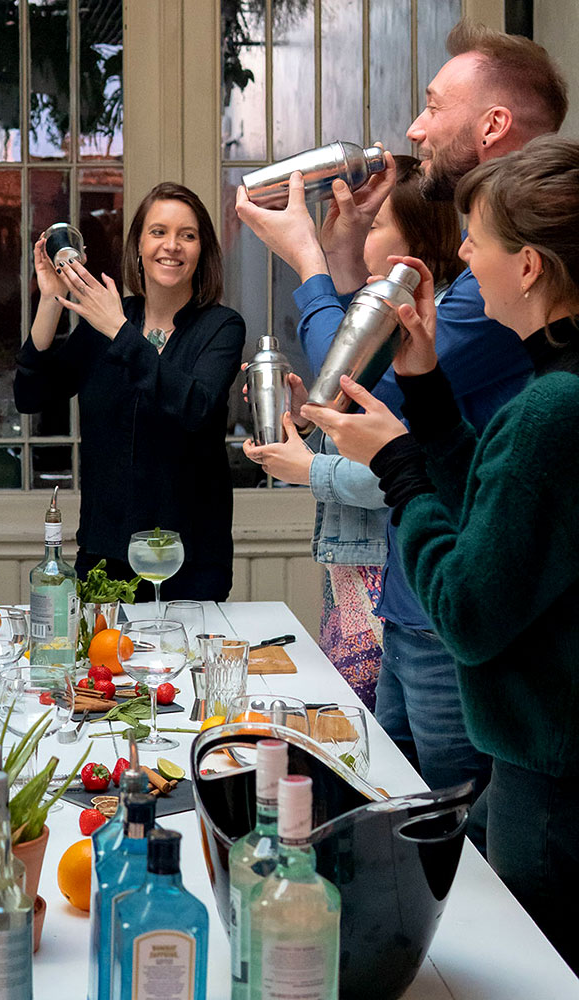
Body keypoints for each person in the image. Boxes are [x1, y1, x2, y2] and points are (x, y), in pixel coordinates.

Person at [233, 19, 567, 801]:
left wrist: (313, 263)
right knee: (403, 811)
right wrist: (347, 260)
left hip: (468, 624)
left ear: (491, 125)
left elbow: (363, 391)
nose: (414, 128)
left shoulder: (517, 276)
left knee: (460, 849)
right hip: (416, 597)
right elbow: (393, 380)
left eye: (431, 104)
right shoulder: (501, 262)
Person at [302, 134, 579, 974]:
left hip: (551, 783)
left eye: (476, 240)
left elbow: (465, 612)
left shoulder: (549, 411)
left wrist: (393, 464)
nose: (460, 257)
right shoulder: (551, 393)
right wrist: (422, 383)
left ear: (526, 266)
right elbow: (491, 508)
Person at [241, 156, 464, 710]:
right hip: (384, 586)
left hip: (402, 589)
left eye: (376, 220)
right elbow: (367, 426)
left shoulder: (431, 327)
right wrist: (309, 421)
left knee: (398, 774)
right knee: (379, 770)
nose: (359, 226)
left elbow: (401, 459)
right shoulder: (391, 314)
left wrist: (310, 467)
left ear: (408, 246)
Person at [14, 182, 245, 600]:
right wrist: (51, 299)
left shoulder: (221, 327)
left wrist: (119, 331)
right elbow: (30, 396)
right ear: (138, 244)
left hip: (188, 560)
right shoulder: (109, 321)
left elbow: (196, 407)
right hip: (105, 555)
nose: (171, 246)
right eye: (158, 232)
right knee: (101, 666)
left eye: (187, 235)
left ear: (201, 250)